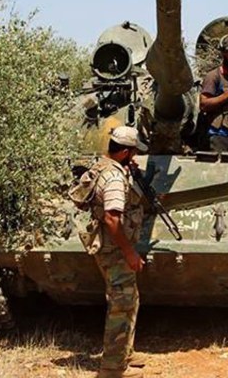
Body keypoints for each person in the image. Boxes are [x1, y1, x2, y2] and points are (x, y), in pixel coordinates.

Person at [91, 126, 148, 378]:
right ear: (125, 152)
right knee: (121, 304)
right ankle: (112, 368)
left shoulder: (103, 166)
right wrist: (130, 253)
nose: (135, 155)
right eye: (133, 151)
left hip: (105, 244)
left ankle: (125, 351)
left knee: (130, 298)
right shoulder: (114, 178)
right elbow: (112, 218)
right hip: (115, 248)